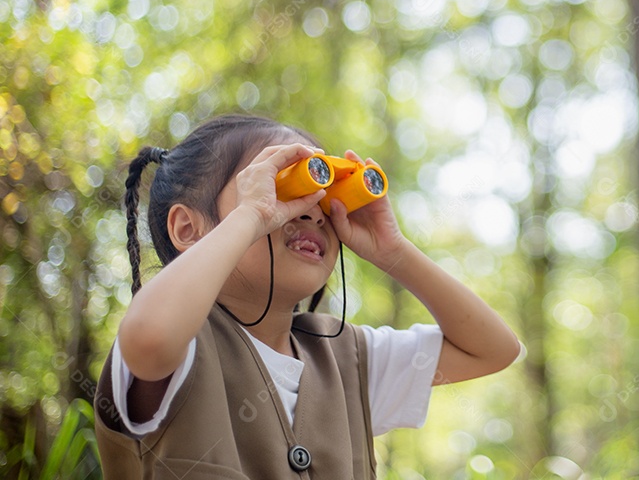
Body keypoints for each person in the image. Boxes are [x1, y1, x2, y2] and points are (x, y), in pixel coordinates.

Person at [93, 114, 521, 479]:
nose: (314, 210)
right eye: (284, 187)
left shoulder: (347, 357)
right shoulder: (183, 347)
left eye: (326, 192)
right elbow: (148, 337)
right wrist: (254, 213)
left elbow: (494, 350)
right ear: (189, 229)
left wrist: (393, 252)